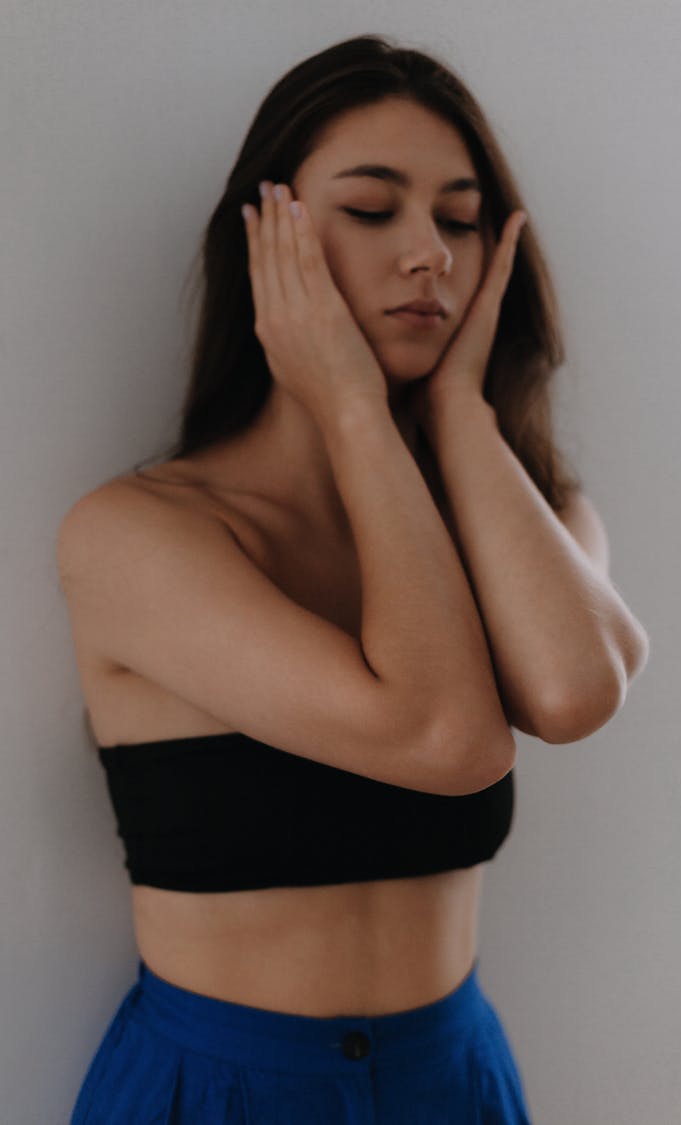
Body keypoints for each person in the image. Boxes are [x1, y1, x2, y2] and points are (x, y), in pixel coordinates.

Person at [56, 33, 649, 1125]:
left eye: (461, 219)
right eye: (373, 210)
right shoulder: (139, 533)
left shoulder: (530, 513)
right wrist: (346, 405)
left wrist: (462, 416)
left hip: (454, 1078)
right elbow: (448, 740)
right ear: (263, 241)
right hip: (219, 1089)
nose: (430, 253)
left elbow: (572, 693)